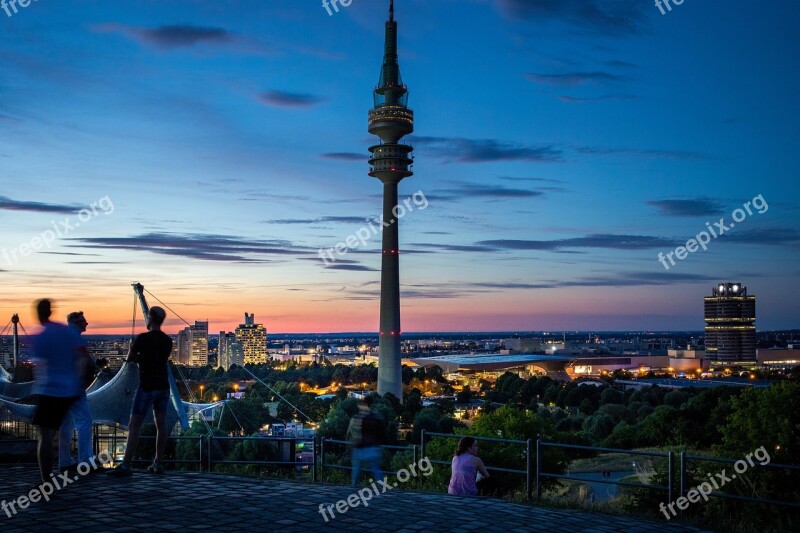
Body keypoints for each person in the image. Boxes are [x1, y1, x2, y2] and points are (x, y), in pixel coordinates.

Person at [107, 306, 172, 477]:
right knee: (161, 425)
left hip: (147, 386)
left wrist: (132, 349)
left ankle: (126, 465)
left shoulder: (142, 338)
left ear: (150, 318)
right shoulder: (167, 340)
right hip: (163, 387)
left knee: (134, 425)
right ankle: (158, 462)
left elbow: (130, 360)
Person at [31, 299, 84, 485]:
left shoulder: (41, 336)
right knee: (64, 429)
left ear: (39, 313)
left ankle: (46, 479)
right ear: (51, 311)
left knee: (45, 437)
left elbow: (38, 366)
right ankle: (65, 462)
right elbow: (81, 355)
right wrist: (77, 380)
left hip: (50, 390)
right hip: (69, 390)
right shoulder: (65, 331)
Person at [58, 311, 98, 473]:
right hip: (74, 387)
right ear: (75, 322)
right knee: (85, 421)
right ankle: (86, 461)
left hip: (60, 387)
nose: (86, 324)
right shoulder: (76, 338)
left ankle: (65, 461)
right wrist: (80, 382)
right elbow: (82, 360)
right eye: (83, 321)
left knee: (66, 424)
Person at [346, 395, 384, 485]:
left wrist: (351, 441)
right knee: (376, 469)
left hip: (360, 447)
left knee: (356, 469)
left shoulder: (358, 418)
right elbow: (382, 432)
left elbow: (350, 432)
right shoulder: (376, 418)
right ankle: (382, 487)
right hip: (374, 447)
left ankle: (354, 487)